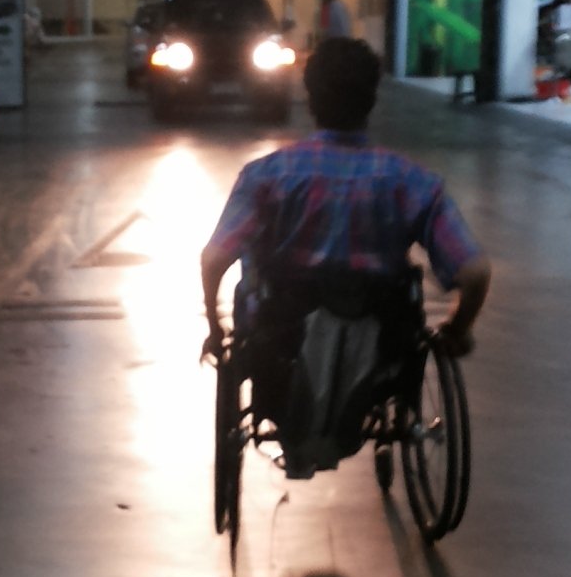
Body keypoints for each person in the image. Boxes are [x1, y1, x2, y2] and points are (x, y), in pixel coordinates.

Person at [200, 37, 490, 380]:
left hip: (279, 347)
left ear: (310, 100)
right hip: (380, 356)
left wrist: (216, 329)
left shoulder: (266, 177)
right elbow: (475, 272)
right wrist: (457, 330)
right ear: (372, 99)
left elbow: (215, 259)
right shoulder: (412, 183)